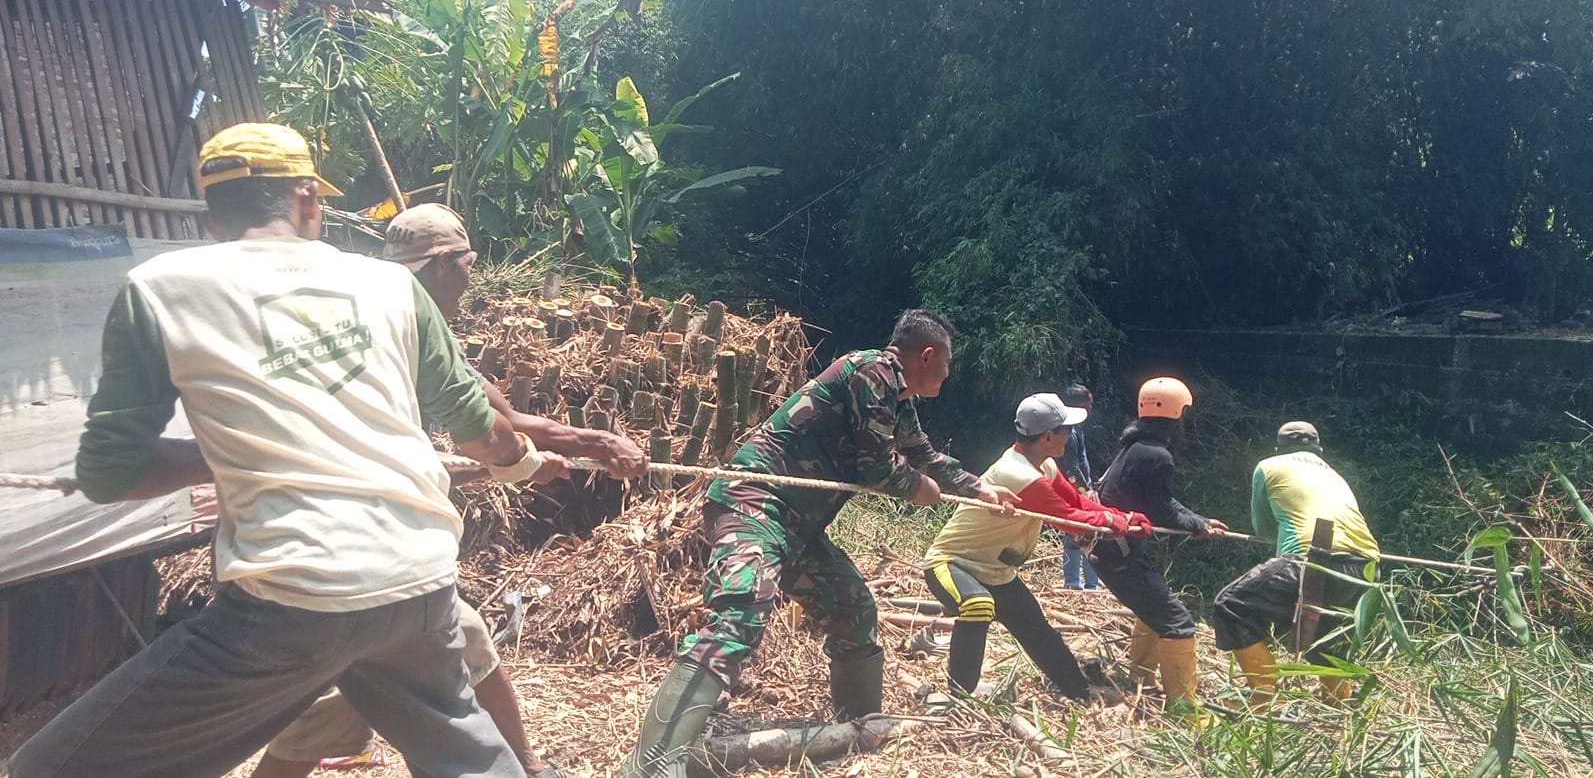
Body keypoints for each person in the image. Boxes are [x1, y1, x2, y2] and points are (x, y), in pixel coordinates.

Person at [11, 123, 556, 778]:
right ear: (306, 200)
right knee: (468, 757)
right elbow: (483, 435)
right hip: (417, 584)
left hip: (289, 599)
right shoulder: (391, 287)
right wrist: (520, 459)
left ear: (213, 217)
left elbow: (108, 471)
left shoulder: (160, 288)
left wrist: (232, 453)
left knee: (54, 767)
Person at [251, 203, 648, 778]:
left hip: (343, 539)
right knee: (378, 680)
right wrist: (523, 465)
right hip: (363, 543)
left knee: (460, 643)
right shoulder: (401, 316)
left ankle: (530, 770)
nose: (471, 276)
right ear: (442, 265)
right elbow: (487, 435)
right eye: (468, 263)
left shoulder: (364, 313)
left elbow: (499, 416)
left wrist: (593, 442)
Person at [620, 310, 1023, 778]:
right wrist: (917, 488)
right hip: (754, 502)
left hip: (796, 524)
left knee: (854, 608)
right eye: (947, 363)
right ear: (926, 355)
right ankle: (651, 764)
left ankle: (856, 728)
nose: (949, 373)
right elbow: (878, 467)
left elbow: (921, 454)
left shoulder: (898, 399)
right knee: (743, 610)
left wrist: (980, 489)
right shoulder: (872, 371)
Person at [923, 393, 1153, 699]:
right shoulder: (1021, 474)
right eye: (1066, 430)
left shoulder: (1044, 466)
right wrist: (1113, 521)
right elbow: (1069, 519)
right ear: (1048, 436)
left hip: (994, 570)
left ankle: (1080, 691)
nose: (1070, 437)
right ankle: (959, 696)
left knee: (1037, 628)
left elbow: (1077, 501)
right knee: (977, 605)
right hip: (950, 564)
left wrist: (1122, 516)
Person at [1212, 421, 1380, 708]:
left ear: (1278, 450)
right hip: (1367, 565)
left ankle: (1265, 696)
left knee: (1231, 605)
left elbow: (1263, 528)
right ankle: (1338, 704)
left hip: (1313, 558)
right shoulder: (1335, 475)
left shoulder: (1268, 466)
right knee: (1327, 637)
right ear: (1320, 451)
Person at [1093, 377, 1229, 720]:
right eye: (1184, 414)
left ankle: (1140, 678)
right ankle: (1185, 709)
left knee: (1155, 610)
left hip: (1110, 549)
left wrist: (1198, 520)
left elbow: (1162, 502)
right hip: (1119, 553)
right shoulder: (1158, 456)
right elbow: (1162, 509)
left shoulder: (1134, 447)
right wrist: (1197, 526)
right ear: (1175, 413)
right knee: (1178, 622)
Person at [1057, 384, 1101, 591]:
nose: (1091, 407)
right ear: (1080, 404)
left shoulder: (1077, 428)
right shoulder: (1069, 431)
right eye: (1089, 403)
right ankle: (1074, 582)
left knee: (1091, 534)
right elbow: (1070, 466)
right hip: (1075, 489)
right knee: (1076, 534)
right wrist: (1083, 491)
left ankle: (1092, 583)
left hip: (1085, 488)